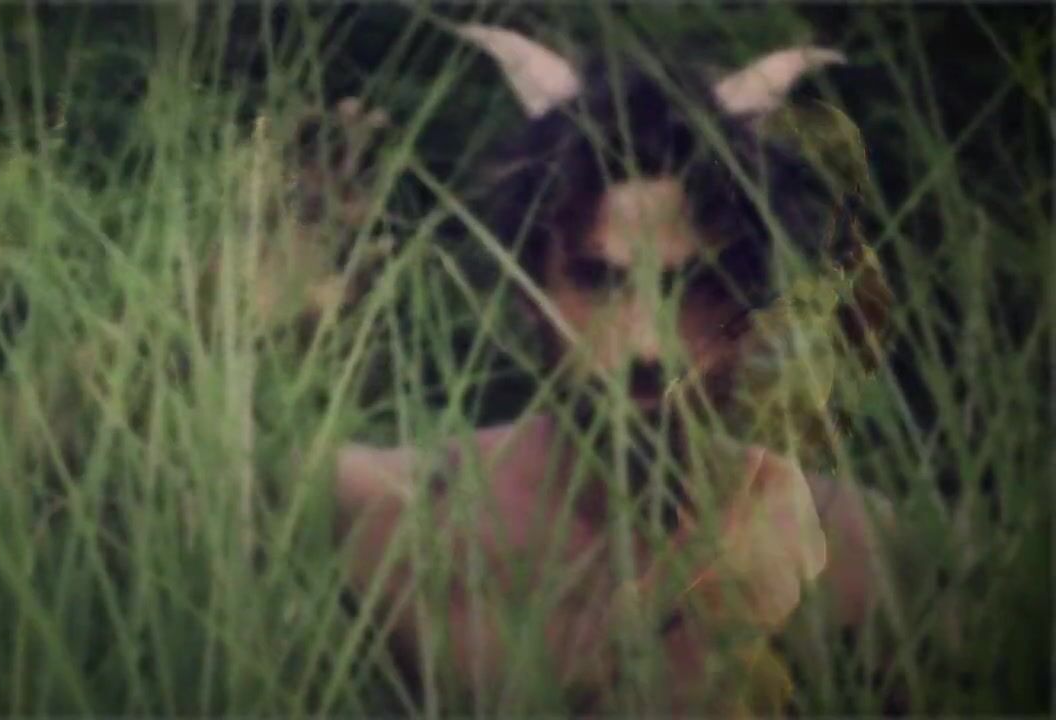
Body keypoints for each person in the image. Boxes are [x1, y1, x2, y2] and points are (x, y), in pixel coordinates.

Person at [332, 24, 895, 714]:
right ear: (529, 292)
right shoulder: (388, 513)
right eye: (600, 280)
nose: (648, 347)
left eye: (697, 285)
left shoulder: (861, 550)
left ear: (754, 303)